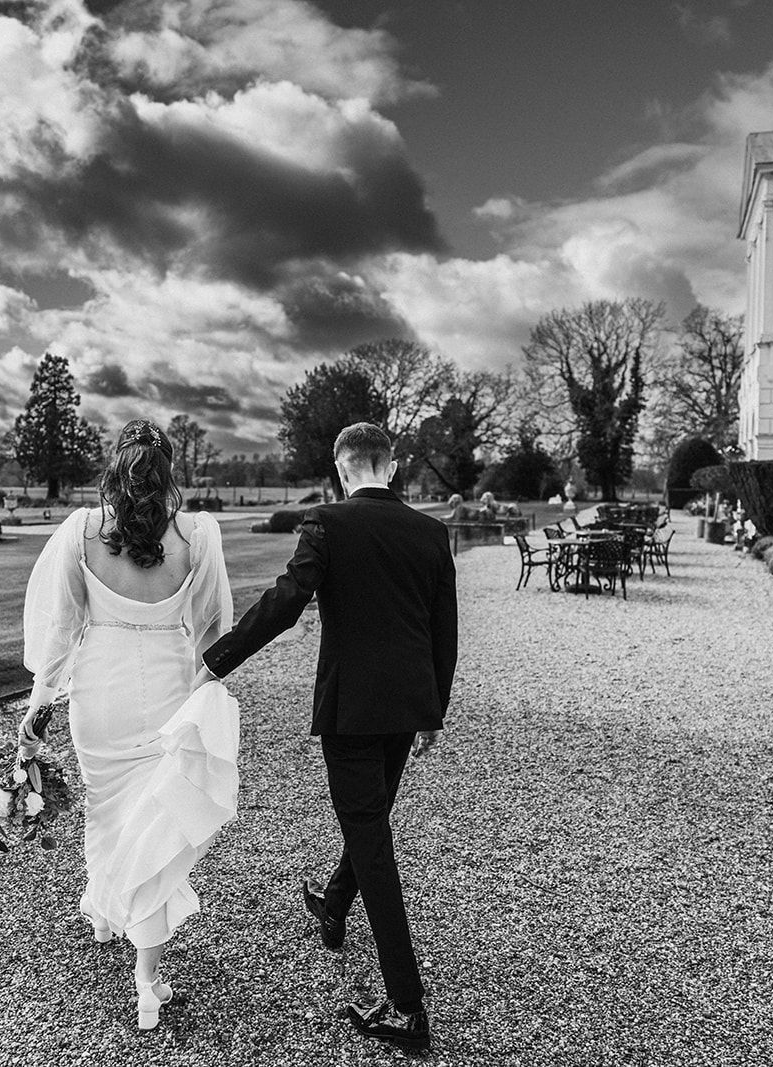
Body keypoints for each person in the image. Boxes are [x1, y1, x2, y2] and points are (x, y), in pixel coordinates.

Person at [198, 423, 458, 1053]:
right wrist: (433, 712)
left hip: (350, 710)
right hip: (406, 706)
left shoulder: (327, 523)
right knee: (369, 819)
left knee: (372, 841)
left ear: (343, 471)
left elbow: (288, 601)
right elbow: (443, 630)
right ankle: (335, 904)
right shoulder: (430, 532)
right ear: (391, 468)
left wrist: (216, 659)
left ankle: (406, 1007)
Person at [16, 419, 235, 1031]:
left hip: (100, 690)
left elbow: (59, 630)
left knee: (106, 806)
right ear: (169, 474)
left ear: (115, 467)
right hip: (169, 686)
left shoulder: (81, 532)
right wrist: (204, 688)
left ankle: (107, 917)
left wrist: (40, 703)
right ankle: (147, 977)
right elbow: (217, 627)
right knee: (155, 817)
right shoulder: (198, 537)